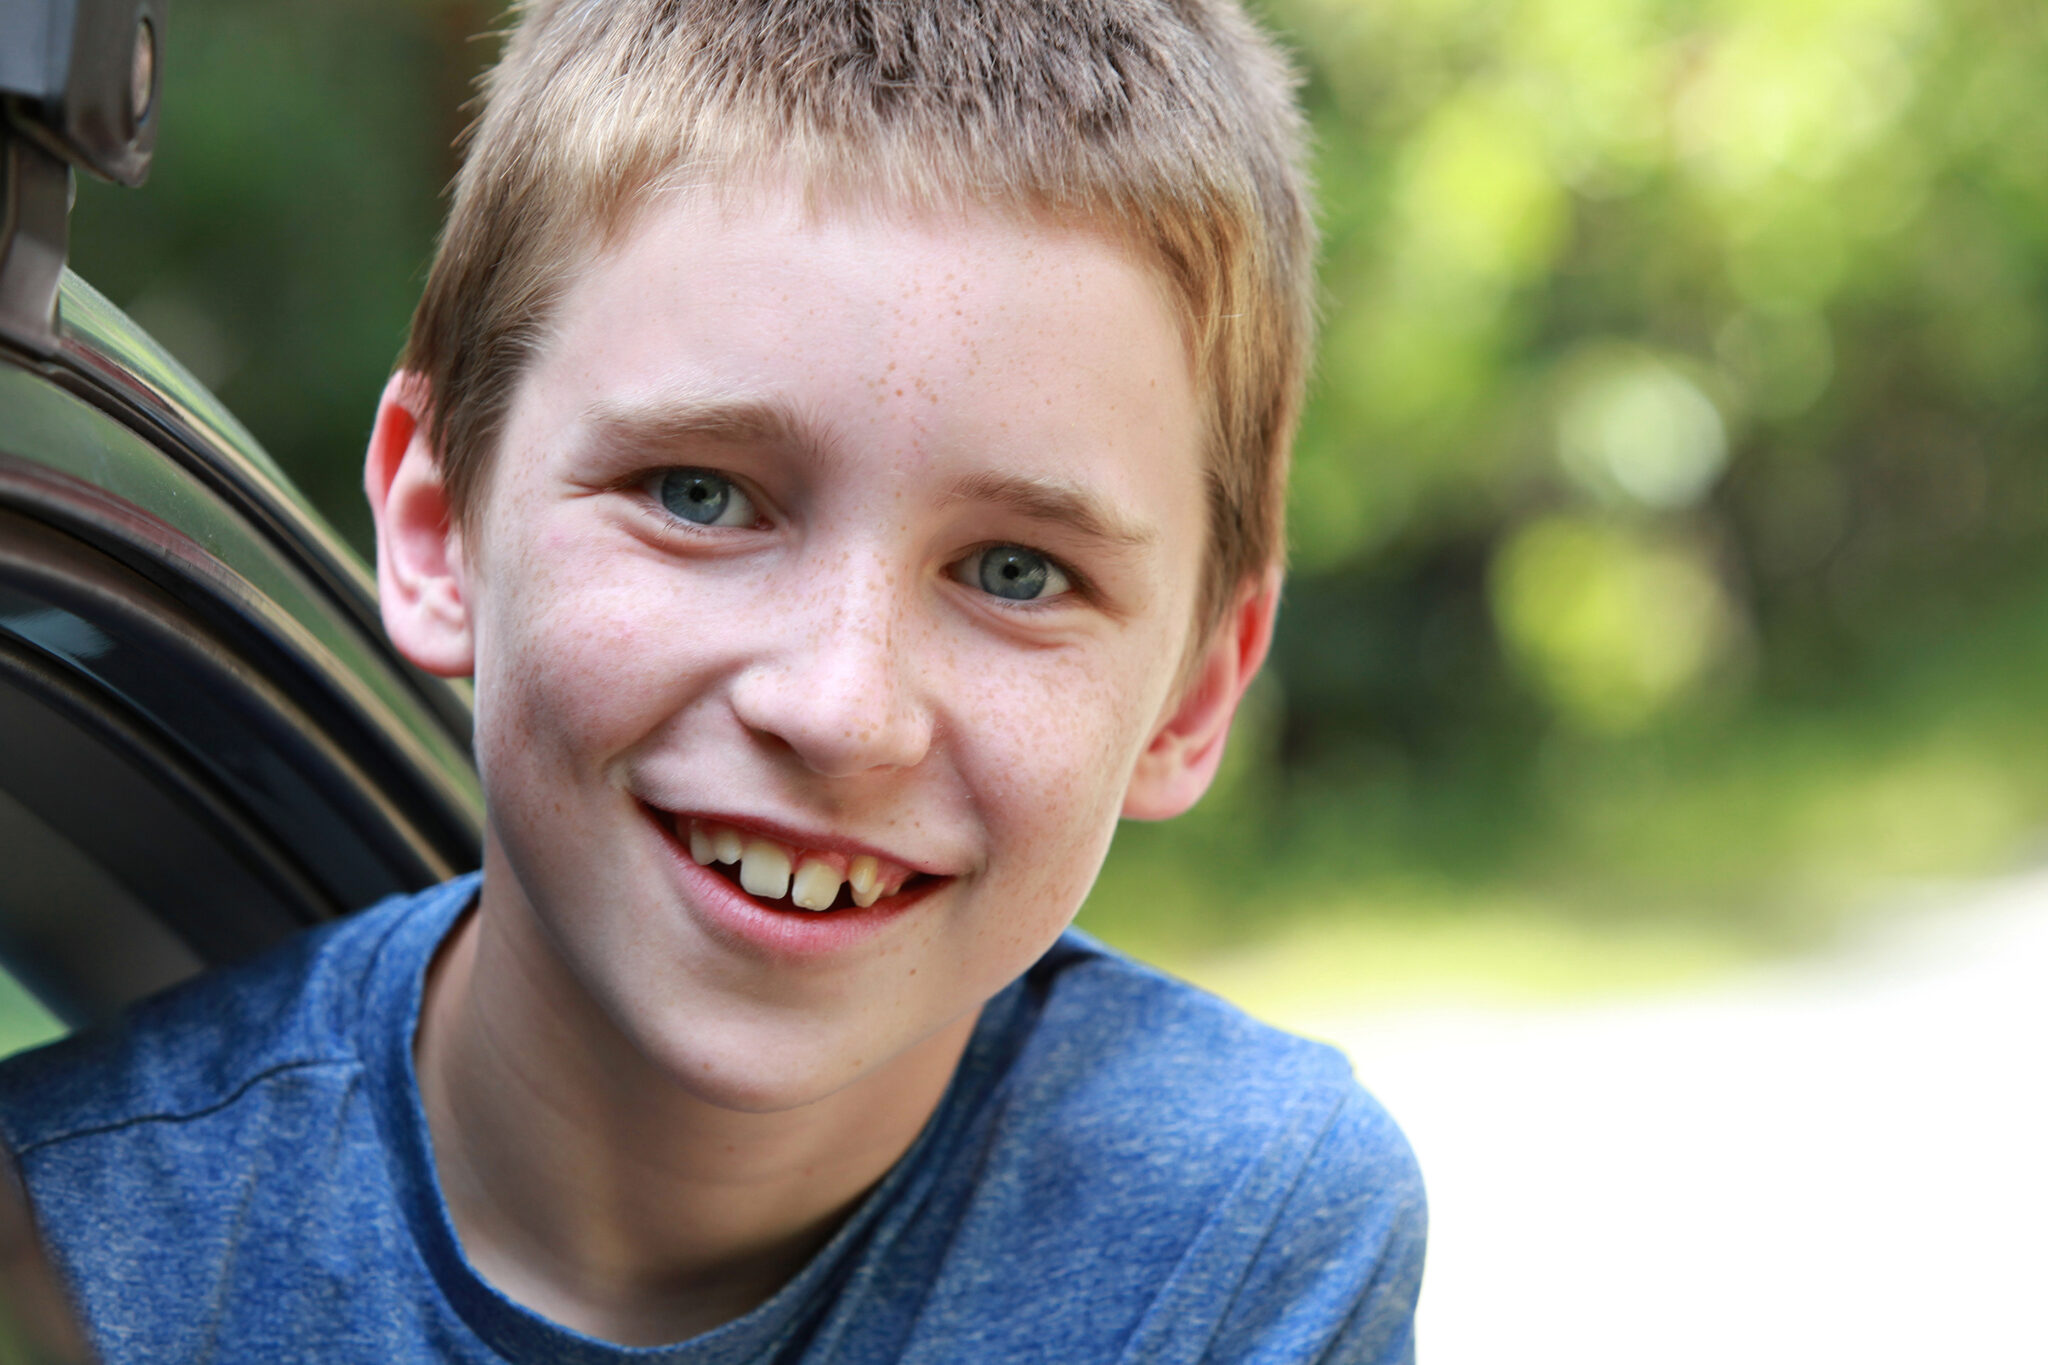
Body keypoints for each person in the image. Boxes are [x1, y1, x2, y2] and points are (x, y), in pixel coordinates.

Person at [0, 0, 1426, 1358]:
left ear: (1192, 693)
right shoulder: (58, 1247)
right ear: (441, 525)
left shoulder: (1237, 1225)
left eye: (1016, 573)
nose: (841, 707)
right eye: (698, 493)